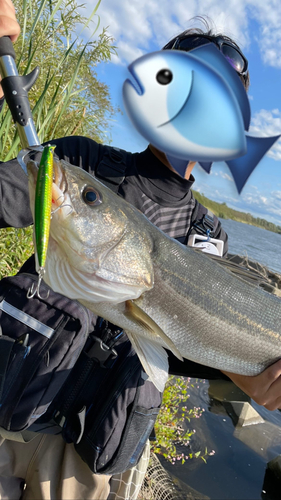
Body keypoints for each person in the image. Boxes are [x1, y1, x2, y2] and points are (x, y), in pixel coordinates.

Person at [0, 1, 281, 498]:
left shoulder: (207, 236)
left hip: (88, 460)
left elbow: (186, 341)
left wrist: (248, 380)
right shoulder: (81, 162)